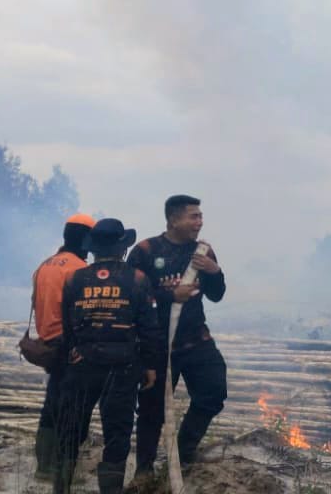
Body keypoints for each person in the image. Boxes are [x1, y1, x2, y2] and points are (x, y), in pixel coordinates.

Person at [54, 218, 162, 494]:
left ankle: (60, 488)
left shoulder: (75, 279)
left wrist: (70, 355)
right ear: (122, 248)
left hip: (82, 365)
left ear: (93, 249)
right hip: (123, 367)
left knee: (70, 430)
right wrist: (150, 366)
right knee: (117, 434)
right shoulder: (138, 280)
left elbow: (66, 326)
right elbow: (149, 328)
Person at [129, 195, 226, 477]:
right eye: (193, 216)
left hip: (196, 340)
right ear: (173, 220)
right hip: (156, 344)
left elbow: (217, 296)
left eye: (200, 216)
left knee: (214, 391)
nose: (200, 222)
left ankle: (183, 454)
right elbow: (133, 298)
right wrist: (170, 295)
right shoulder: (146, 251)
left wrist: (215, 271)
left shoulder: (203, 252)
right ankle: (144, 471)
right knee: (151, 409)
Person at [30, 213, 96, 477]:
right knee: (72, 408)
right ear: (87, 239)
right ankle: (61, 466)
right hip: (71, 346)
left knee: (52, 403)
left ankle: (43, 465)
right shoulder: (79, 269)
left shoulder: (45, 265)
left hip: (48, 344)